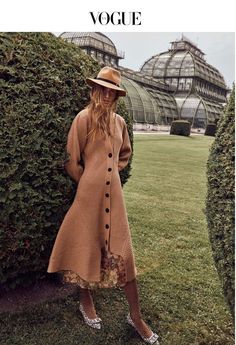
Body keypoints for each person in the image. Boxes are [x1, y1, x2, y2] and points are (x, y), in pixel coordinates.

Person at [47, 66, 159, 344]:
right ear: (95, 89)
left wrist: (113, 173)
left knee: (124, 253)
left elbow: (125, 153)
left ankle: (135, 316)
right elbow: (71, 160)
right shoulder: (82, 119)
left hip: (115, 198)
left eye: (113, 91)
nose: (108, 95)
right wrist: (88, 181)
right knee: (86, 247)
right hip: (88, 198)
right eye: (104, 89)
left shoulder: (120, 122)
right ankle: (86, 301)